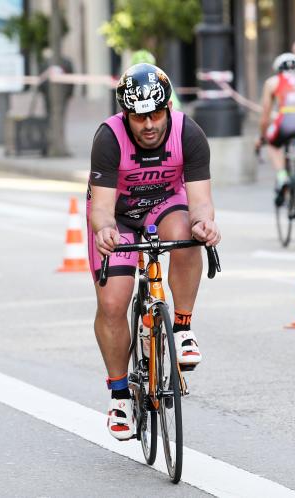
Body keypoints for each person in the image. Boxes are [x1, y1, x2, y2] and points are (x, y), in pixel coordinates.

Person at [88, 63, 220, 440]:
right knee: (113, 303)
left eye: (155, 114)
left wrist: (205, 224)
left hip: (165, 206)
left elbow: (200, 202)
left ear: (168, 107)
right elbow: (100, 208)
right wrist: (104, 230)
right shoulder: (109, 138)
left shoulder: (188, 133)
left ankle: (182, 327)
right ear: (126, 115)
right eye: (138, 117)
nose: (148, 125)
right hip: (118, 217)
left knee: (186, 233)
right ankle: (119, 397)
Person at [255, 52, 295, 206]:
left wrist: (262, 136)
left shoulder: (273, 81)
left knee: (272, 144)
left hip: (286, 121)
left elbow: (265, 115)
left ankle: (282, 175)